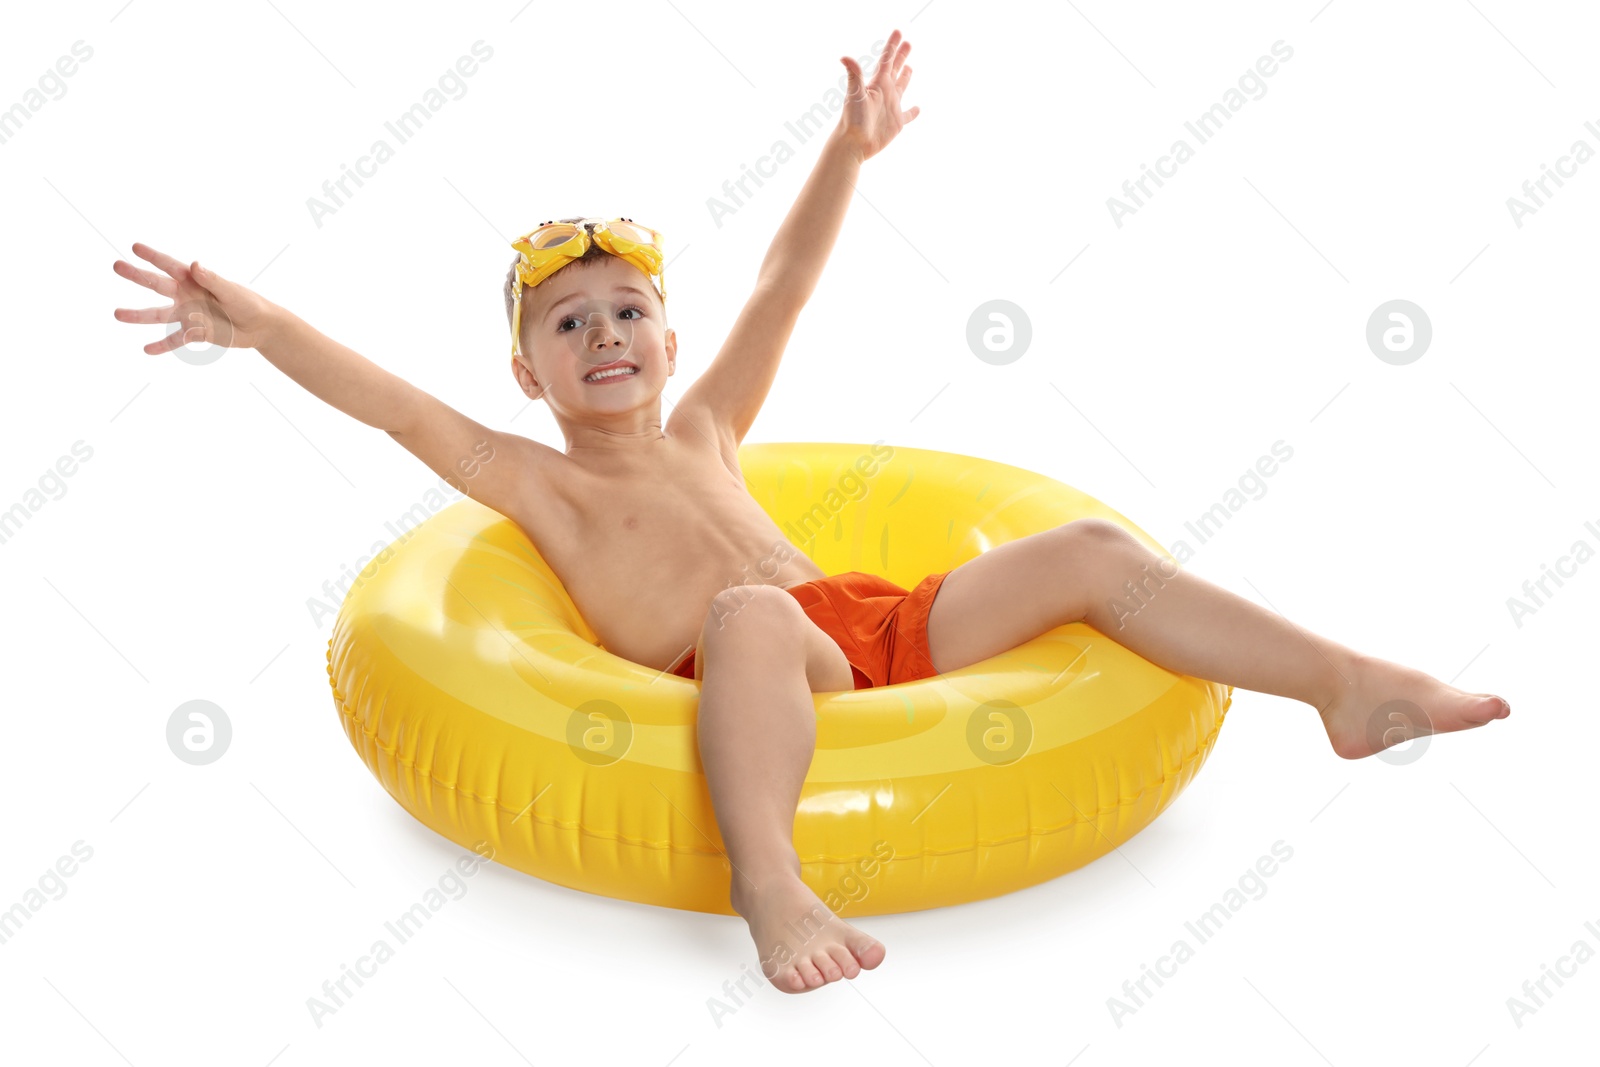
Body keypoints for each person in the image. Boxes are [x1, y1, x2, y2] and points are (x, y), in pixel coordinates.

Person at [112, 28, 1508, 995]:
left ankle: (1345, 683)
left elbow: (783, 284)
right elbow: (389, 402)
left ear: (666, 339)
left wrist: (850, 151)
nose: (608, 336)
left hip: (874, 631)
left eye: (630, 313)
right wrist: (259, 322)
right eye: (569, 323)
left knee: (1087, 552)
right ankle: (773, 884)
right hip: (745, 655)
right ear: (526, 372)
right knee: (749, 609)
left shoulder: (711, 425)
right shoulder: (527, 478)